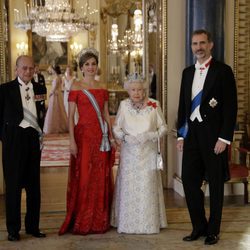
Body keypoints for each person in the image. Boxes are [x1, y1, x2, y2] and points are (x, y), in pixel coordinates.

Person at [176, 29, 237, 245]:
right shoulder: (187, 73)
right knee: (190, 182)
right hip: (191, 135)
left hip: (214, 137)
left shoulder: (223, 71)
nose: (198, 47)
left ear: (210, 45)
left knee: (216, 185)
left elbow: (231, 108)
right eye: (195, 44)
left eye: (202, 43)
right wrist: (181, 135)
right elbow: (183, 106)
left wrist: (224, 138)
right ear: (191, 46)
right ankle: (199, 227)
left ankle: (213, 230)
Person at [59, 47, 115, 235]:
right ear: (81, 67)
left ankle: (99, 220)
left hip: (101, 137)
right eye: (87, 64)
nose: (91, 67)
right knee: (84, 176)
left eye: (93, 64)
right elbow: (70, 117)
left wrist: (112, 135)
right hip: (83, 137)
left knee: (100, 175)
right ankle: (83, 218)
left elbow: (106, 113)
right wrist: (71, 141)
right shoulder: (75, 86)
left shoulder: (103, 86)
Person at [110, 76, 168, 234]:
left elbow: (163, 128)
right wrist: (125, 137)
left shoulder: (154, 104)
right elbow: (116, 128)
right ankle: (127, 224)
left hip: (148, 153)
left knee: (146, 188)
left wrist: (150, 135)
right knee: (130, 189)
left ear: (145, 90)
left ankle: (148, 224)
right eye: (133, 89)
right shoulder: (123, 105)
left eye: (140, 89)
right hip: (129, 154)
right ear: (128, 90)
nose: (136, 93)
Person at [0, 55, 46, 241]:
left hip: (33, 140)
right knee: (13, 186)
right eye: (24, 68)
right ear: (16, 69)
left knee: (34, 187)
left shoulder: (40, 88)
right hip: (13, 141)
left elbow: (42, 113)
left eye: (31, 68)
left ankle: (33, 227)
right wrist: (5, 137)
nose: (28, 71)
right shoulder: (4, 90)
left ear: (34, 69)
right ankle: (13, 229)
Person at [43, 65, 68, 134]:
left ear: (54, 70)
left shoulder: (56, 78)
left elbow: (54, 88)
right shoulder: (59, 77)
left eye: (52, 69)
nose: (51, 71)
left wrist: (50, 93)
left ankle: (54, 127)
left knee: (54, 110)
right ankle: (60, 125)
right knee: (59, 110)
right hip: (59, 94)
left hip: (55, 95)